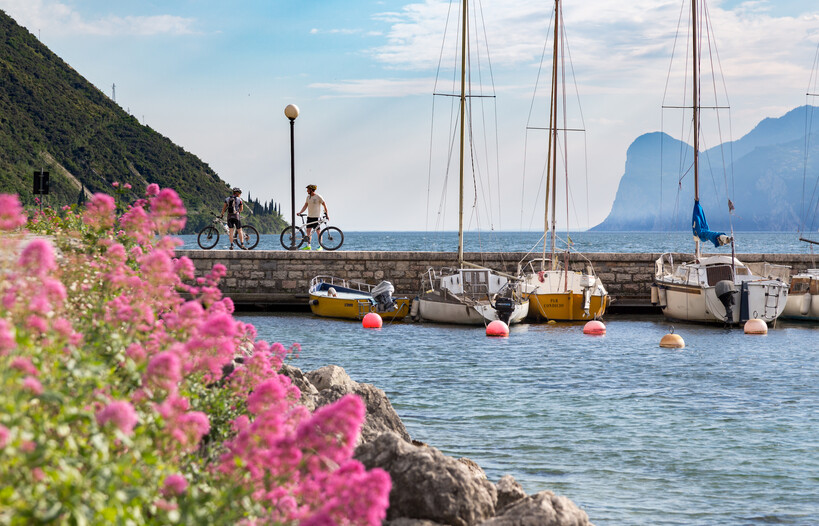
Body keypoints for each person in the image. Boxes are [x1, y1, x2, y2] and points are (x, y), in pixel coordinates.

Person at [297, 184, 329, 250]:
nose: (307, 191)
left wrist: (327, 214)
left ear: (311, 190)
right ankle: (308, 246)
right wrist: (300, 212)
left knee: (318, 232)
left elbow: (324, 205)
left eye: (308, 189)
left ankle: (320, 246)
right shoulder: (308, 197)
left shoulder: (318, 196)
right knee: (308, 232)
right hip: (309, 217)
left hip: (316, 217)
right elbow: (305, 206)